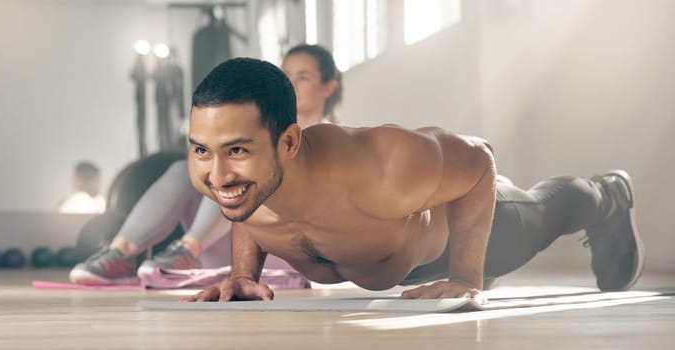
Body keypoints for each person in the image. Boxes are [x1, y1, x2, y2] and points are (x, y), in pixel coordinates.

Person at [180, 57, 643, 303]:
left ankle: (608, 195)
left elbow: (480, 160)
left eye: (237, 150)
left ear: (288, 143)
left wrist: (466, 277)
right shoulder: (244, 179)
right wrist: (243, 275)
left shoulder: (382, 166)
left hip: (465, 233)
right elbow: (243, 200)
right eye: (202, 150)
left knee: (548, 209)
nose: (217, 174)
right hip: (403, 267)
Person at [70, 44, 343, 285]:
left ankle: (188, 248)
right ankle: (122, 253)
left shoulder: (333, 143)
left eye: (303, 77)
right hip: (224, 248)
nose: (291, 83)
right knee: (188, 170)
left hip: (280, 256)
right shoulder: (255, 128)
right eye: (286, 75)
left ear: (329, 86)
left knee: (233, 173)